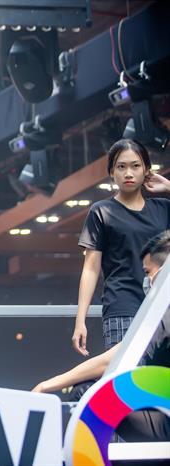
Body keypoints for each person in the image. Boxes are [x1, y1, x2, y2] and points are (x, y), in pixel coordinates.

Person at [34, 230, 170, 441]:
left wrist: (46, 386)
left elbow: (114, 359)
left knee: (87, 393)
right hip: (161, 404)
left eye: (148, 272)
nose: (146, 281)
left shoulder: (164, 315)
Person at [73, 139, 170, 356]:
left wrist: (168, 186)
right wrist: (80, 321)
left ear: (146, 170)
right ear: (111, 172)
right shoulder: (101, 211)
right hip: (122, 308)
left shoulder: (164, 209)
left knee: (161, 373)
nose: (128, 173)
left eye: (135, 166)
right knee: (125, 372)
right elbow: (91, 268)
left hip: (162, 308)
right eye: (121, 167)